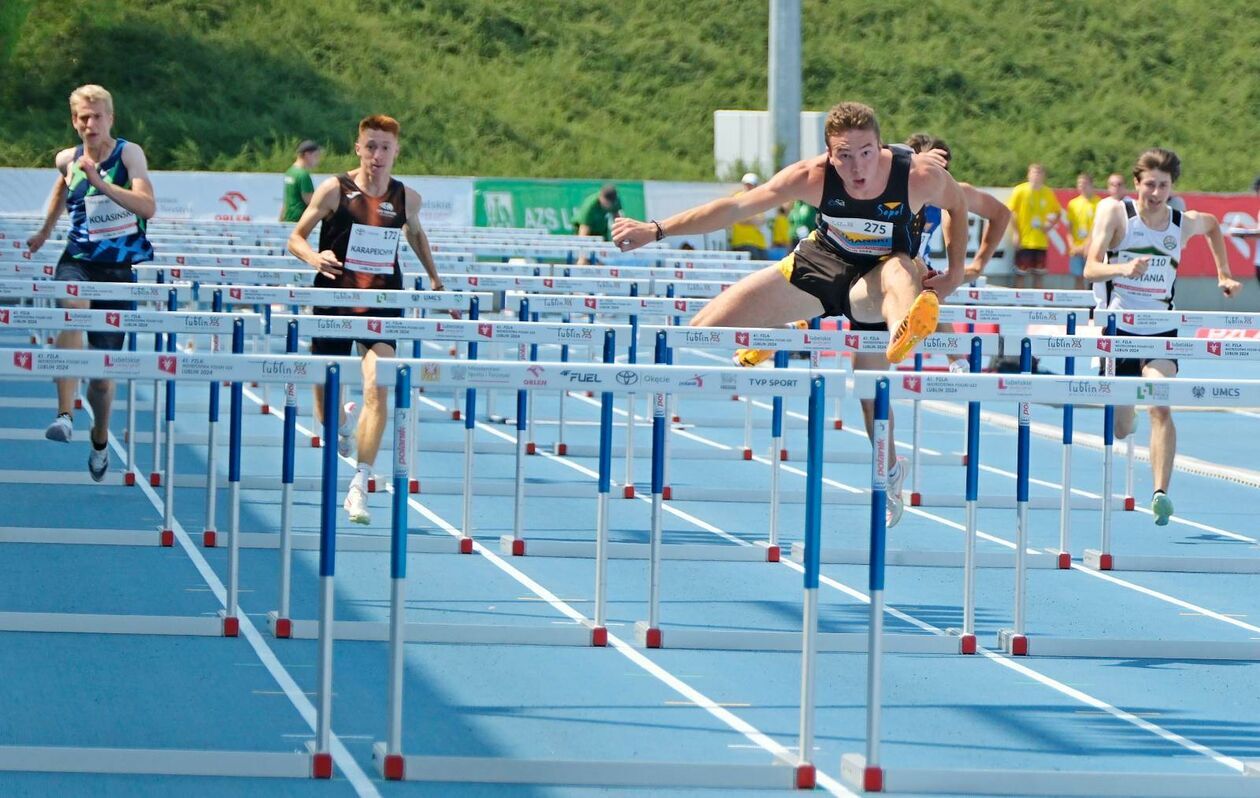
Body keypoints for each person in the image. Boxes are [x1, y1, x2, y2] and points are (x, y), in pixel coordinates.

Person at [611, 101, 968, 527]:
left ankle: (902, 335)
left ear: (880, 144)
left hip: (876, 281)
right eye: (845, 155)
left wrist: (956, 274)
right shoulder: (811, 177)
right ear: (829, 153)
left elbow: (960, 208)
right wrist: (656, 229)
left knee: (878, 358)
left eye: (867, 152)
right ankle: (786, 326)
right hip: (818, 266)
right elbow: (737, 208)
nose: (857, 167)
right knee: (701, 332)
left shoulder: (918, 176)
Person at [288, 114, 453, 525]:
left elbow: (415, 234)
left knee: (378, 388)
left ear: (396, 151)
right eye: (370, 146)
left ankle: (360, 483)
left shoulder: (406, 198)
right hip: (333, 298)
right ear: (358, 148)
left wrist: (435, 279)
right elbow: (295, 237)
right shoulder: (333, 190)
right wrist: (313, 256)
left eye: (385, 147)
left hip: (381, 302)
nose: (377, 155)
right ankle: (342, 424)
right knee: (324, 409)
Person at [1084, 147, 1240, 526]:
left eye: (1163, 186)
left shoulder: (1181, 222)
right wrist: (1123, 267)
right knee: (1121, 427)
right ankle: (1126, 413)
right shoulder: (1115, 212)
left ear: (1172, 187)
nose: (1155, 193)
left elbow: (1214, 226)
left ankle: (1159, 493)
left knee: (1162, 403)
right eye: (1149, 185)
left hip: (1161, 331)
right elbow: (1090, 268)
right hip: (1119, 328)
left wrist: (1223, 273)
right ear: (1136, 183)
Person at [25, 84, 156, 482]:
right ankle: (64, 414)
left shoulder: (128, 154)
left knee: (101, 378)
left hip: (117, 270)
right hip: (77, 260)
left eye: (97, 116)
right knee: (72, 309)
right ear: (74, 121)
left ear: (110, 119)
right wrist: (45, 231)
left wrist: (102, 185)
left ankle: (99, 436)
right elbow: (61, 188)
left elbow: (147, 206)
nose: (90, 123)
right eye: (83, 117)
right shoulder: (68, 158)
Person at [1006, 163, 1062, 289]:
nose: (1036, 176)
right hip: (1024, 240)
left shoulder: (1047, 192)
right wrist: (1016, 233)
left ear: (1043, 176)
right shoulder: (1020, 190)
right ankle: (1018, 304)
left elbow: (1058, 212)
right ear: (1028, 174)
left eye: (1039, 173)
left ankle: (1038, 304)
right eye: (1034, 173)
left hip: (1041, 241)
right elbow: (1011, 211)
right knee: (1021, 274)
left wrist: (1049, 225)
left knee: (1039, 274)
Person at [1065, 173, 1101, 290]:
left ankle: (1093, 305)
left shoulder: (1099, 203)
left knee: (1093, 278)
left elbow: (1097, 227)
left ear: (1091, 185)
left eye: (1085, 183)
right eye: (1080, 184)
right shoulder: (1073, 204)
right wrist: (1072, 246)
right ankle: (1079, 306)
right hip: (1076, 248)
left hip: (1092, 248)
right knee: (1078, 277)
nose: (1082, 186)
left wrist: (1088, 245)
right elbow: (1069, 228)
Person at [729, 172, 769, 260]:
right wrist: (753, 221)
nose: (749, 187)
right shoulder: (737, 199)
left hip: (759, 242)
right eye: (747, 184)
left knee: (765, 264)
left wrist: (752, 220)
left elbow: (762, 220)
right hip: (742, 241)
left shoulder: (758, 199)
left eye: (751, 185)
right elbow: (741, 220)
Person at [280, 139, 322, 222]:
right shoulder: (303, 175)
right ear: (307, 155)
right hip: (299, 221)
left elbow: (286, 199)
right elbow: (311, 202)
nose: (318, 161)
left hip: (287, 219)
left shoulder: (290, 171)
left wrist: (281, 218)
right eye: (316, 156)